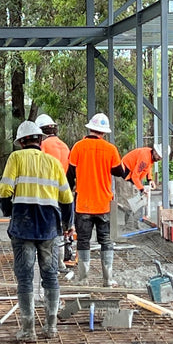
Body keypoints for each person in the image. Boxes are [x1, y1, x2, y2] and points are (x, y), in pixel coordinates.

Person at [0, 120, 74, 341]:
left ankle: (28, 329)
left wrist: (8, 212)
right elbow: (67, 198)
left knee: (25, 277)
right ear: (40, 140)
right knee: (50, 276)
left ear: (22, 142)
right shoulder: (53, 163)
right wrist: (67, 225)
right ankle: (51, 328)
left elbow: (4, 189)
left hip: (23, 224)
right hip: (49, 226)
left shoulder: (16, 158)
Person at [67, 112, 127, 286]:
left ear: (90, 128)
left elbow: (70, 174)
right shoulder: (110, 149)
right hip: (103, 205)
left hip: (83, 204)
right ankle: (108, 279)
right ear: (104, 132)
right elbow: (119, 172)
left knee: (83, 241)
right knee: (106, 241)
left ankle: (83, 278)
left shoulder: (78, 147)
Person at [36, 113, 72, 270]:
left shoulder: (43, 146)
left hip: (46, 192)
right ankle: (61, 261)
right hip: (63, 190)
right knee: (60, 226)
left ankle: (50, 262)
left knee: (48, 226)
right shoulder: (64, 146)